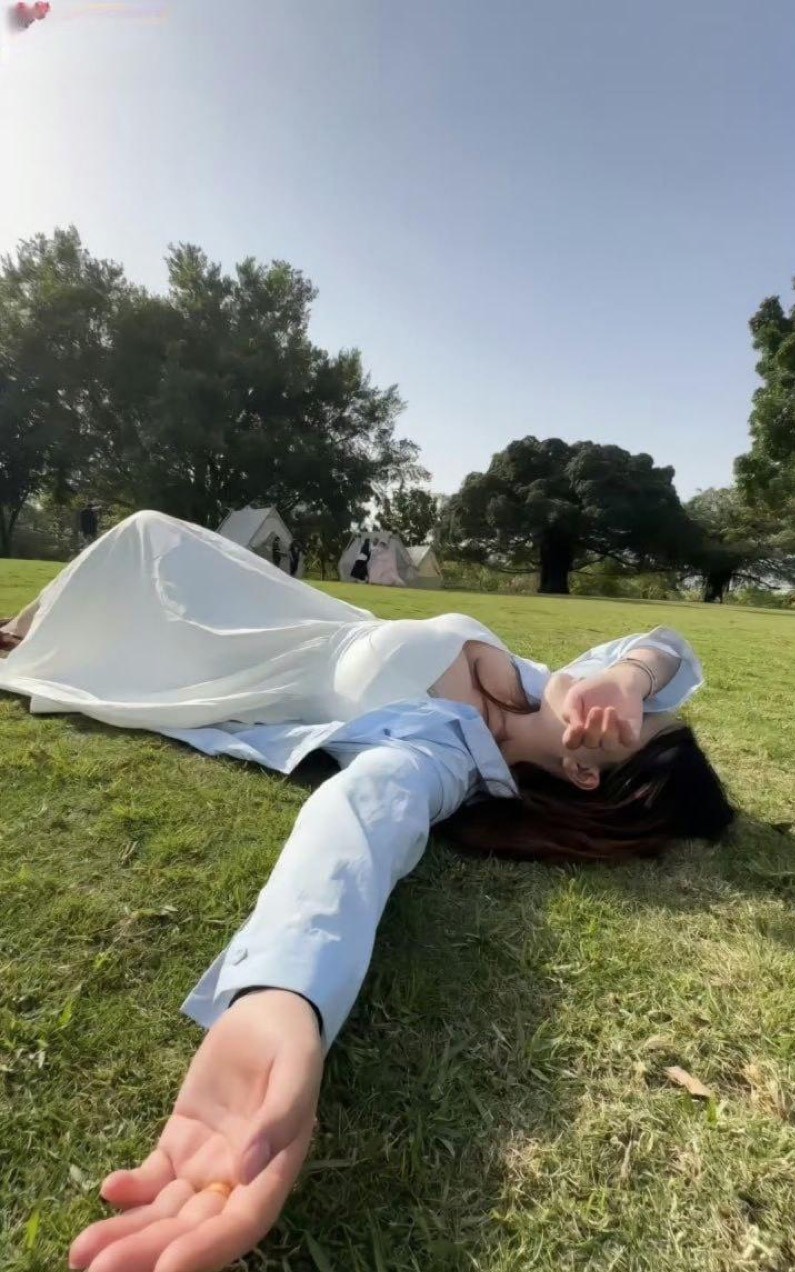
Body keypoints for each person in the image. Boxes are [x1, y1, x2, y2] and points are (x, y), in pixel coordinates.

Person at [0, 511, 735, 1272]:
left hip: (221, 661)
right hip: (278, 604)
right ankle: (27, 627)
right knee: (147, 532)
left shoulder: (440, 757)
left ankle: (34, 642)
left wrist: (284, 995)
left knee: (116, 589)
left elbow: (358, 823)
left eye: (636, 722)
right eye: (640, 704)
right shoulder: (542, 678)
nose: (630, 704)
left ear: (584, 771)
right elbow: (666, 646)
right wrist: (628, 677)